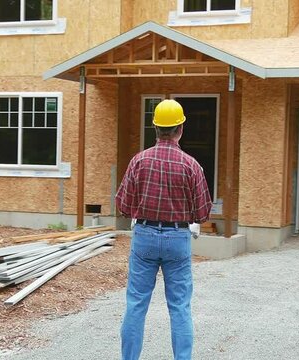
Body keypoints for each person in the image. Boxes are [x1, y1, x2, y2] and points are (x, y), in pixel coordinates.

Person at [115, 99, 212, 360]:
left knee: (136, 305)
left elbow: (123, 206)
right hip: (177, 239)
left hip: (144, 236)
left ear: (155, 128)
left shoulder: (139, 161)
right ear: (180, 128)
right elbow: (203, 213)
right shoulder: (191, 165)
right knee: (180, 307)